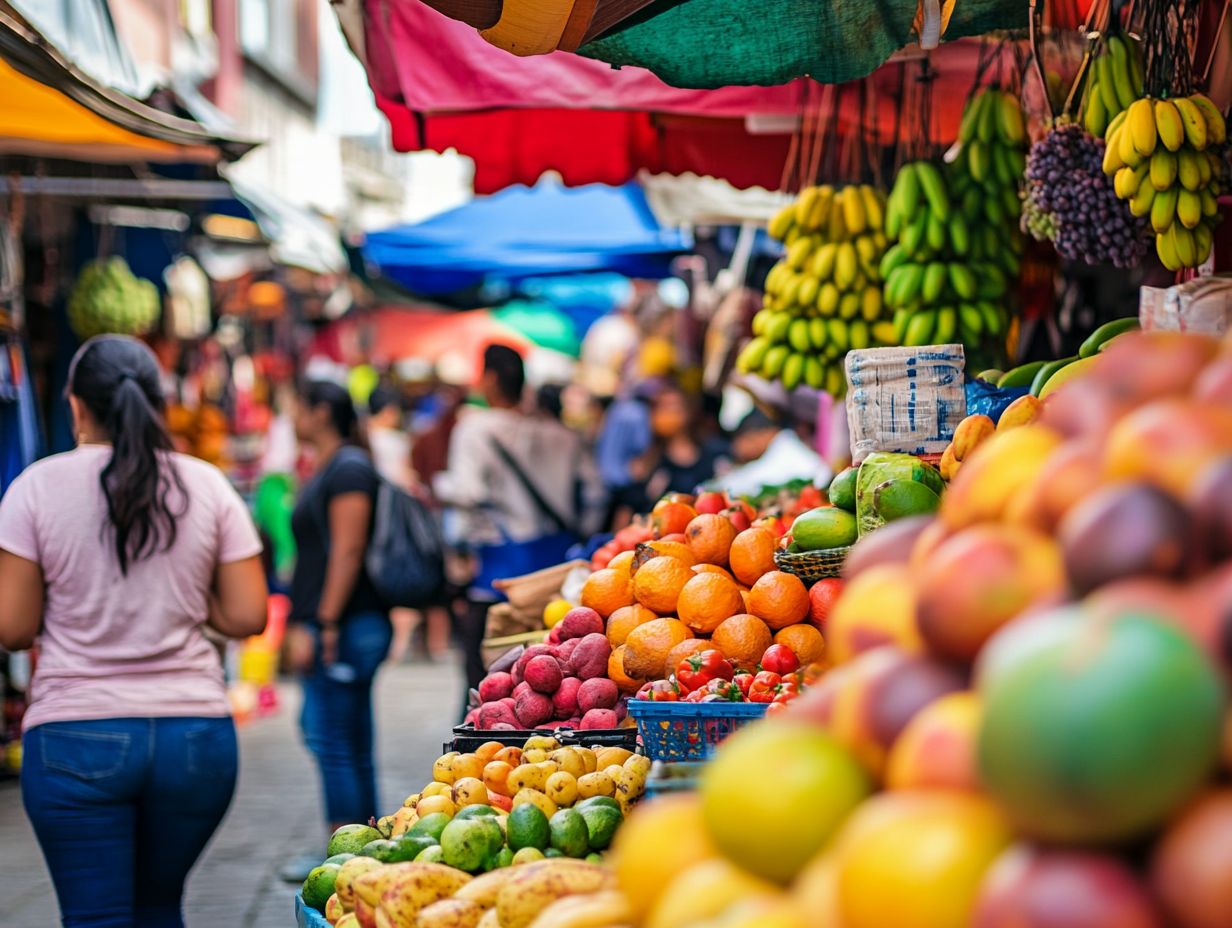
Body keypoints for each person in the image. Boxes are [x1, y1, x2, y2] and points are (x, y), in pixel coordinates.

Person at [0, 335, 267, 927]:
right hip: (195, 741)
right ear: (157, 402)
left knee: (97, 917)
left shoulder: (35, 488)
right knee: (158, 908)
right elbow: (248, 615)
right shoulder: (206, 485)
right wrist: (188, 605)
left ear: (76, 406)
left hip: (75, 737)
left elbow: (13, 627)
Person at [435, 345, 601, 703]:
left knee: (492, 680)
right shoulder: (562, 434)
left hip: (501, 575)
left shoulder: (475, 429)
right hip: (560, 573)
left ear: (491, 379)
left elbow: (468, 491)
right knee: (559, 673)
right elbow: (595, 493)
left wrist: (439, 488)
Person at [285, 381, 391, 835]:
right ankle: (363, 846)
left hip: (347, 624)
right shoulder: (334, 465)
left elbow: (348, 551)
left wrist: (325, 622)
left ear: (322, 412)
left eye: (298, 406)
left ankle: (345, 851)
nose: (291, 418)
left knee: (333, 741)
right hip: (345, 623)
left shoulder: (348, 467)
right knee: (346, 740)